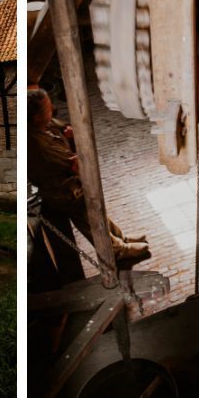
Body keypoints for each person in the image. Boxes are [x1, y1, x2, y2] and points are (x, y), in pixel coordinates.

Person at [27, 87, 150, 266]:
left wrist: (71, 137)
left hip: (74, 182)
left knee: (98, 210)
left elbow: (67, 130)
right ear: (37, 117)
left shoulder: (46, 123)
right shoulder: (37, 145)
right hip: (63, 191)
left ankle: (119, 238)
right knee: (92, 220)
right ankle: (116, 251)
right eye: (47, 108)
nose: (52, 108)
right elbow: (75, 164)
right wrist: (75, 146)